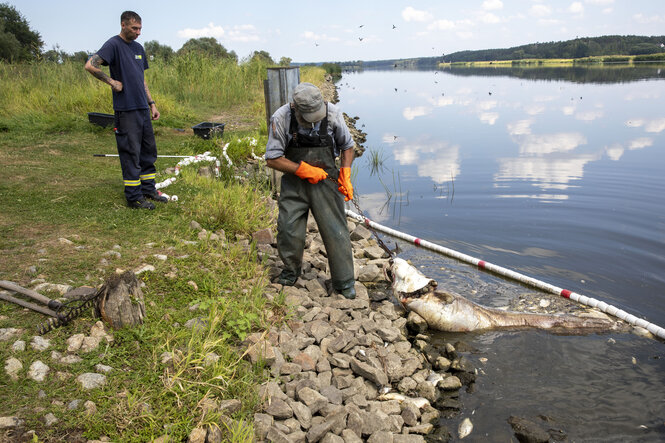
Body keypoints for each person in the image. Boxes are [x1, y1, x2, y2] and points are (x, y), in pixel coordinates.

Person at [265, 82, 357, 299]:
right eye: (309, 116)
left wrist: (345, 173)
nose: (314, 119)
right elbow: (272, 159)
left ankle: (344, 281)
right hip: (295, 182)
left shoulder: (333, 113)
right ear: (295, 107)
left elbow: (348, 146)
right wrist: (302, 169)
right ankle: (290, 270)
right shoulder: (281, 118)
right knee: (288, 228)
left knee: (336, 230)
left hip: (326, 181)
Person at [85, 10, 167, 210]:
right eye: (134, 28)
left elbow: (141, 78)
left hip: (142, 108)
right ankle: (133, 197)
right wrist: (112, 82)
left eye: (140, 28)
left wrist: (152, 103)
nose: (138, 32)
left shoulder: (139, 47)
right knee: (131, 153)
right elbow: (90, 65)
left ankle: (148, 189)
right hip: (126, 110)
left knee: (148, 152)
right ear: (123, 25)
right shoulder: (113, 44)